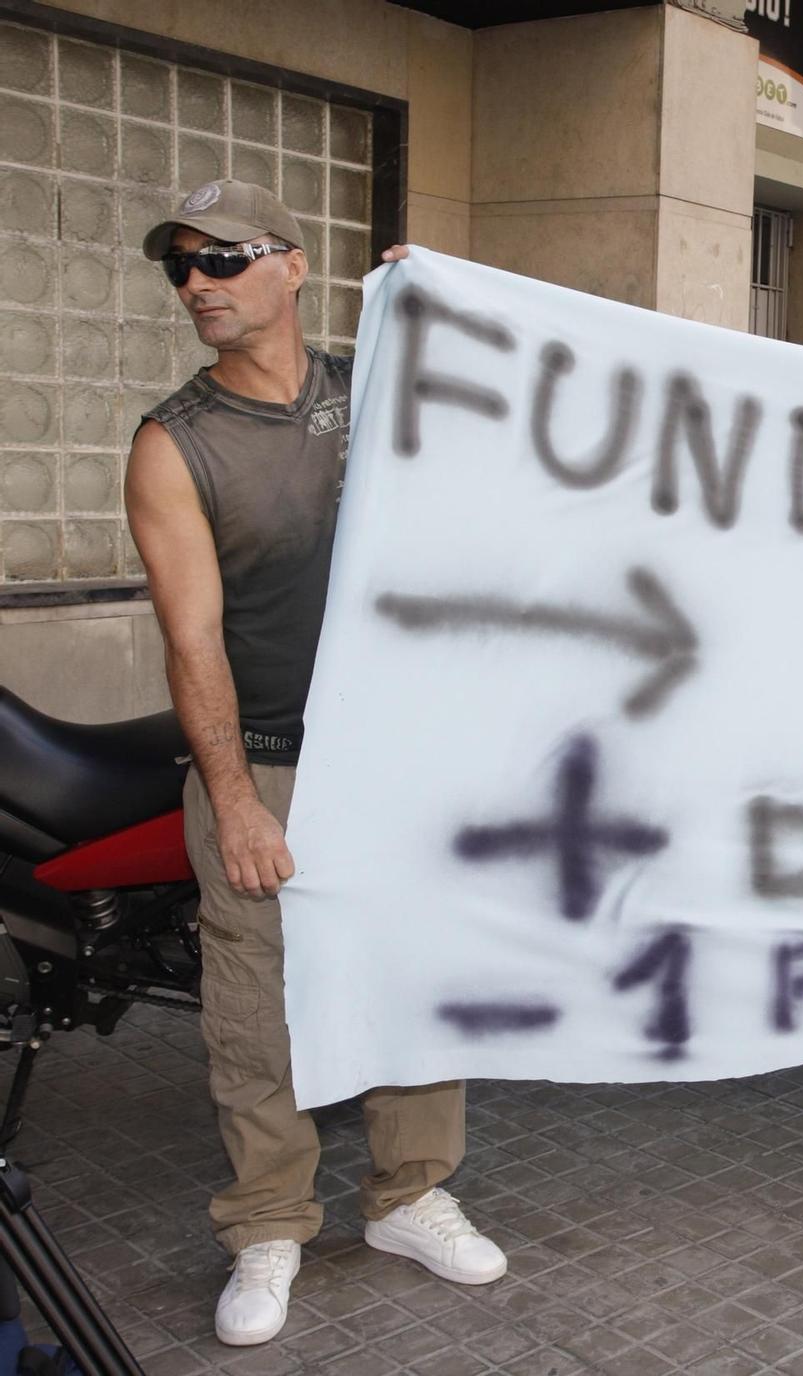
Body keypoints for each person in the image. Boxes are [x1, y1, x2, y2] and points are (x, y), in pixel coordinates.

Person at [123, 182, 505, 1348]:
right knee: (255, 1008)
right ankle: (269, 1223)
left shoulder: (382, 380)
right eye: (179, 266)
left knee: (414, 977)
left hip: (400, 752)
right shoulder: (172, 442)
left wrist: (448, 312)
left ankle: (407, 1193)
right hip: (272, 762)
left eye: (222, 258)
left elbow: (514, 436)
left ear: (292, 266)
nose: (197, 282)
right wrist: (233, 795)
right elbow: (194, 638)